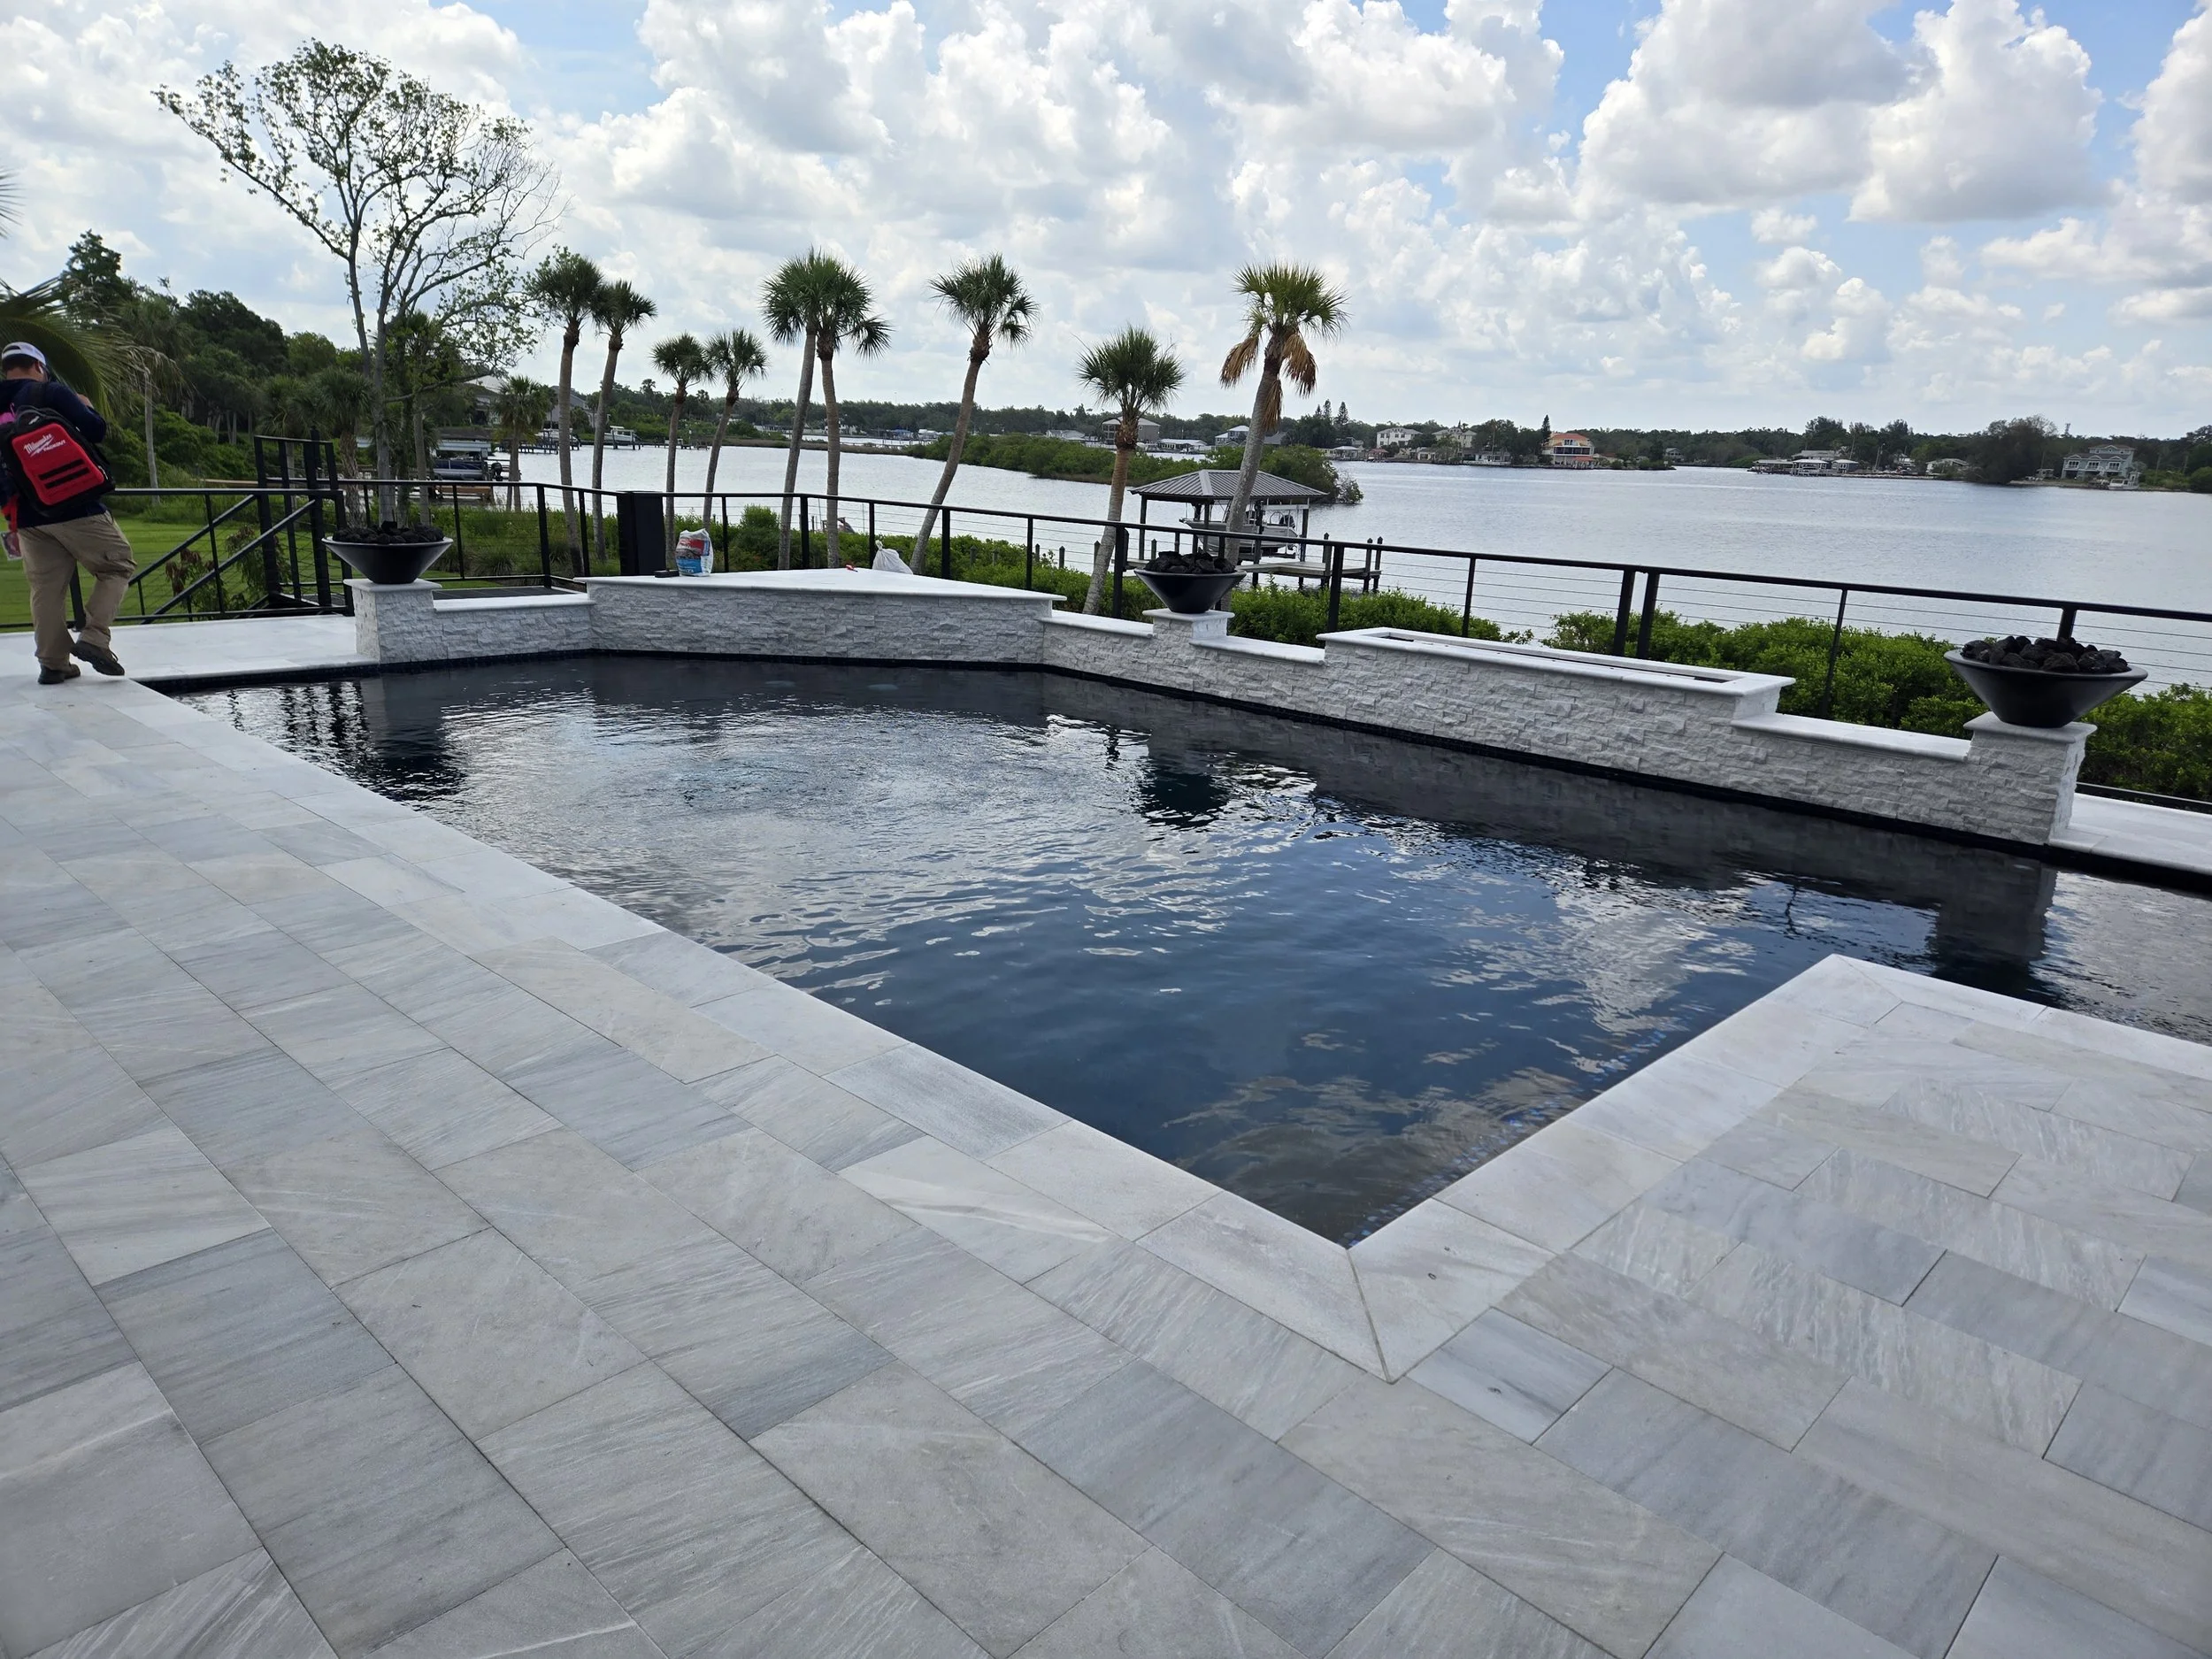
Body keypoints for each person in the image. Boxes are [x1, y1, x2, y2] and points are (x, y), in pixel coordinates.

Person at [2, 342, 134, 684]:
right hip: (75, 503)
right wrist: (85, 406)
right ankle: (95, 638)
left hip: (26, 515)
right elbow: (96, 431)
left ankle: (53, 664)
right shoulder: (49, 391)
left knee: (46, 588)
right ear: (38, 366)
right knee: (118, 564)